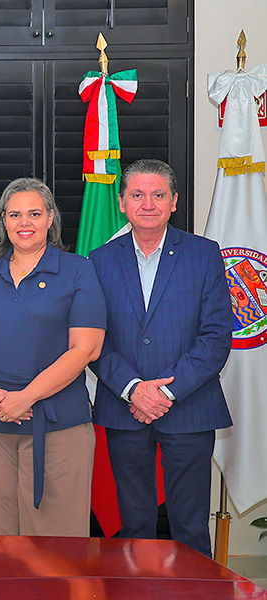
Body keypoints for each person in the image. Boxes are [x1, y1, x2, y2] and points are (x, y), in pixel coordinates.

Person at [89, 158, 232, 557]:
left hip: (190, 408)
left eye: (158, 195)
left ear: (174, 202)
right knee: (133, 525)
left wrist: (165, 393)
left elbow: (216, 337)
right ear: (122, 202)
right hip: (124, 410)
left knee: (190, 526)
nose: (148, 204)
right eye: (137, 195)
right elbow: (92, 340)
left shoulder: (204, 254)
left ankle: (194, 589)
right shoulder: (99, 260)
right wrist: (133, 389)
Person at [0, 178, 106, 536]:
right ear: (3, 221)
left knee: (56, 547)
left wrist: (25, 398)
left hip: (58, 427)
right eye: (14, 215)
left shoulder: (78, 270)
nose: (24, 223)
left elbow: (86, 348)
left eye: (34, 214)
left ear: (50, 218)